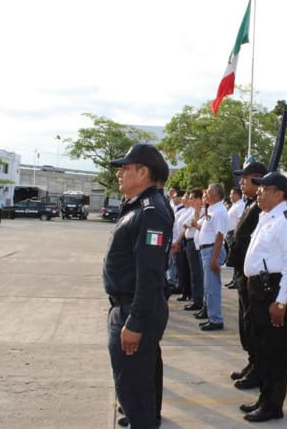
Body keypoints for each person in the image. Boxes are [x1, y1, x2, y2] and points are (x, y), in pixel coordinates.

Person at [103, 143, 172, 429]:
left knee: (134, 394)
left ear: (143, 172)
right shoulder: (140, 207)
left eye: (126, 168)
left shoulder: (150, 211)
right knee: (135, 390)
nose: (120, 173)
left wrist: (135, 321)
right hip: (127, 304)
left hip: (134, 308)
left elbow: (150, 274)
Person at [239, 172, 287, 422]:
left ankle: (273, 405)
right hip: (259, 290)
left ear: (278, 193)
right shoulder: (267, 217)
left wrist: (281, 301)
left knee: (275, 351)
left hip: (273, 291)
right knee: (262, 348)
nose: (258, 192)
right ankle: (264, 398)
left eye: (264, 189)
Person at [225, 161, 268, 390]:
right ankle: (252, 362)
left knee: (253, 324)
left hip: (253, 276)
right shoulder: (250, 204)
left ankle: (258, 368)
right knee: (246, 323)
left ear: (258, 179)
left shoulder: (262, 208)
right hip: (243, 272)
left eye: (245, 178)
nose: (241, 182)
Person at [192, 183, 229, 331]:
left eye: (207, 192)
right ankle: (210, 314)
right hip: (206, 250)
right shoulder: (212, 210)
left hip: (212, 250)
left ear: (216, 194)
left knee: (212, 287)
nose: (205, 195)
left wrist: (214, 259)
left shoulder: (219, 211)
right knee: (208, 286)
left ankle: (216, 320)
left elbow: (219, 236)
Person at [224, 187, 246, 289]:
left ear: (237, 195)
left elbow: (239, 220)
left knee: (235, 258)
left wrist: (235, 234)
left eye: (232, 194)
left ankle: (237, 281)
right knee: (233, 258)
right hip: (230, 234)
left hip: (234, 234)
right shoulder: (235, 205)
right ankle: (234, 279)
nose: (230, 196)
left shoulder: (241, 205)